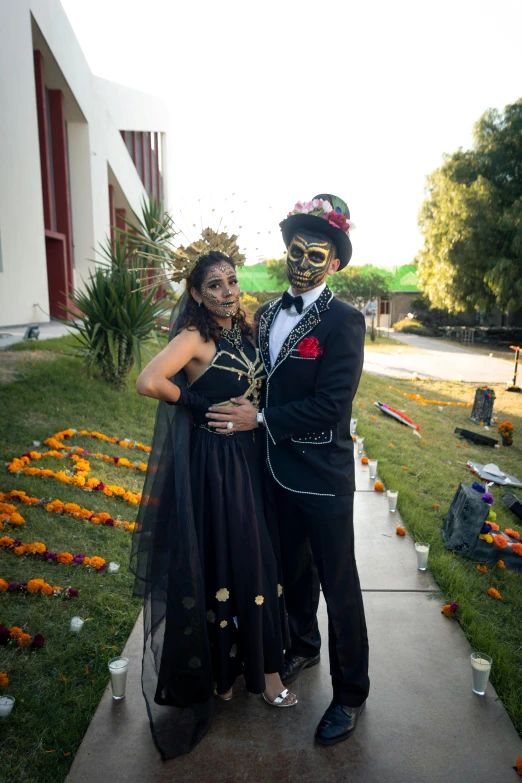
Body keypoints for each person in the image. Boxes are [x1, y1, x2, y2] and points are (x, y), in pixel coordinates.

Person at [206, 194, 369, 746]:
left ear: (335, 263)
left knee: (339, 584)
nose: (302, 263)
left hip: (322, 476)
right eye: (295, 251)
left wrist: (262, 420)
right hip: (272, 473)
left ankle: (351, 694)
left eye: (315, 255)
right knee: (293, 576)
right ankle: (303, 646)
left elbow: (332, 403)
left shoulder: (346, 322)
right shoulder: (270, 313)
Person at [131, 245, 295, 761]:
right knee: (236, 559)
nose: (227, 292)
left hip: (246, 461)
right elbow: (148, 381)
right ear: (198, 294)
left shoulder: (244, 333)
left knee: (249, 557)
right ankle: (250, 676)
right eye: (215, 286)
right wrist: (200, 403)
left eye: (231, 281)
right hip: (214, 467)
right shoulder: (195, 336)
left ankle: (242, 670)